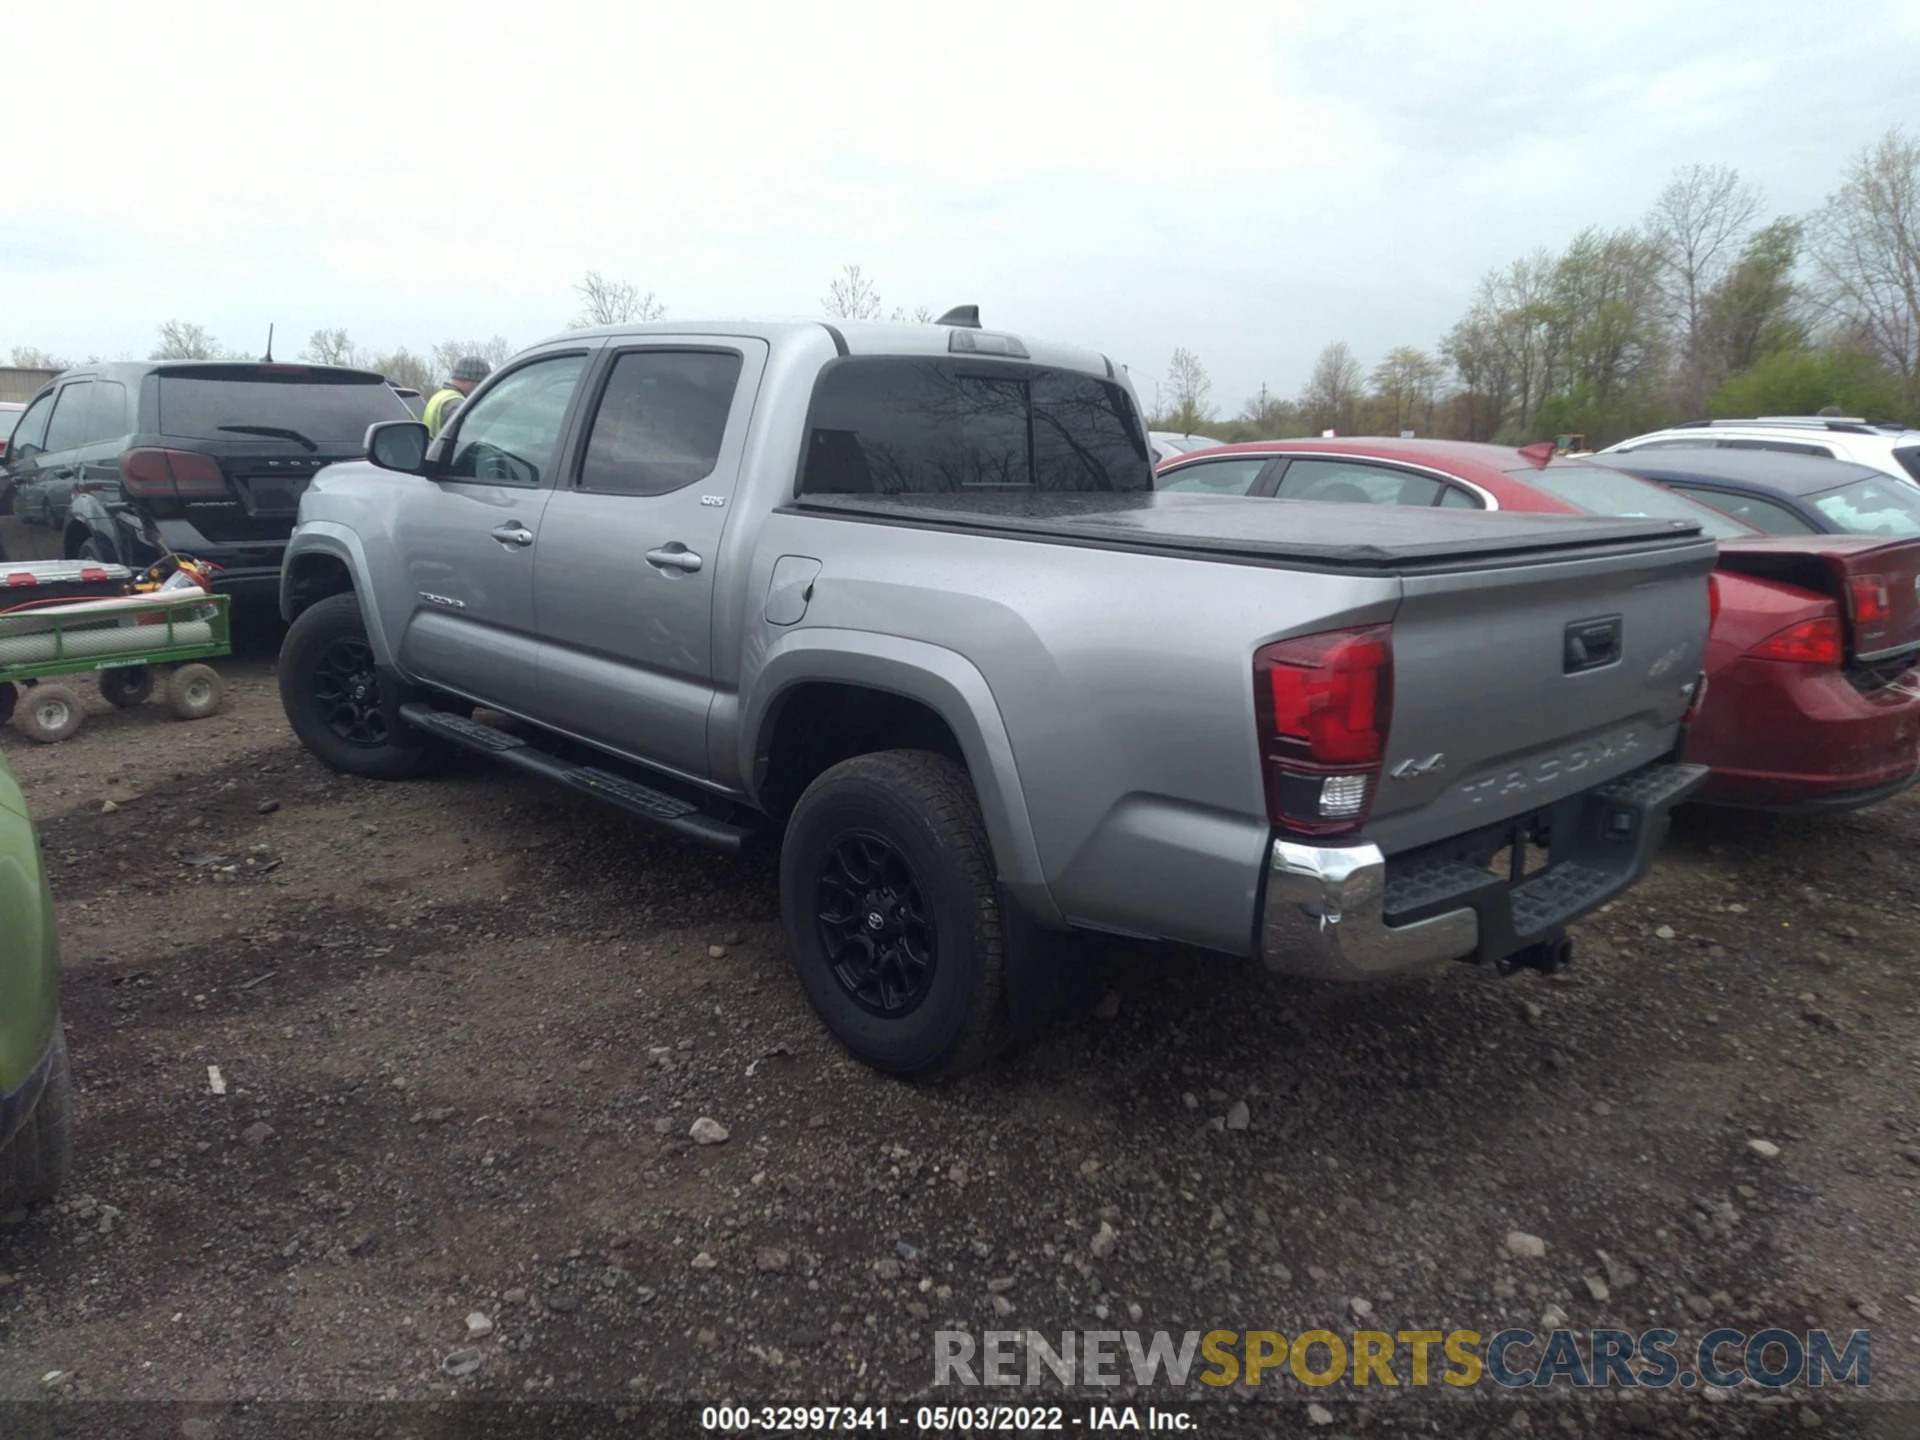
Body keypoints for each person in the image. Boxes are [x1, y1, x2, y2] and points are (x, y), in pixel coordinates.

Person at [424, 356, 491, 437]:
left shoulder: (439, 396)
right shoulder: (458, 404)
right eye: (481, 383)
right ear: (469, 381)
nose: (481, 389)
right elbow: (466, 438)